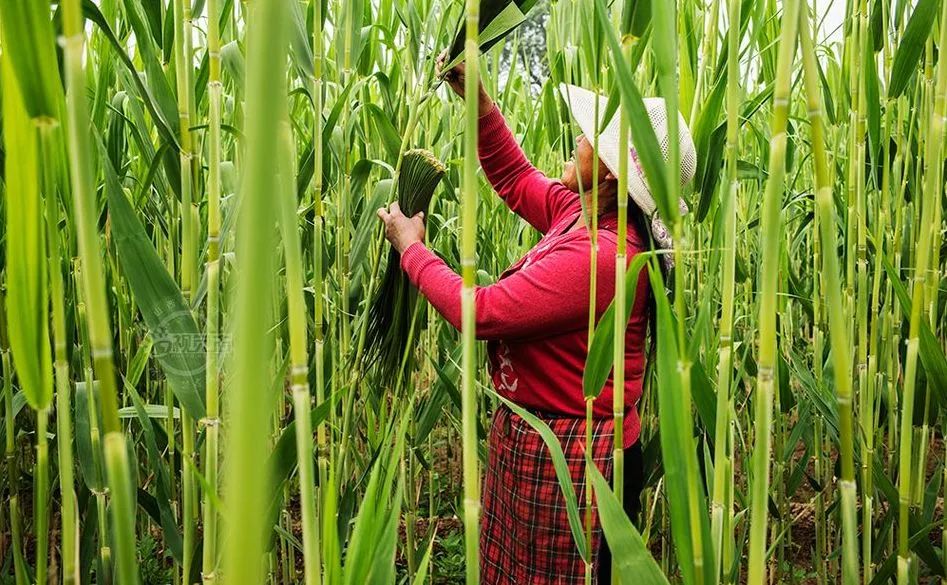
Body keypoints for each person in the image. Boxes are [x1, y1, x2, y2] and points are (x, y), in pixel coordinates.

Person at [377, 59, 696, 583]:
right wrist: (479, 103)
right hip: (539, 441)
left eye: (593, 136)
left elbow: (481, 312)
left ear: (614, 171)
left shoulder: (605, 259)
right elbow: (516, 179)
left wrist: (412, 250)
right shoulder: (581, 211)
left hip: (577, 463)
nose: (579, 137)